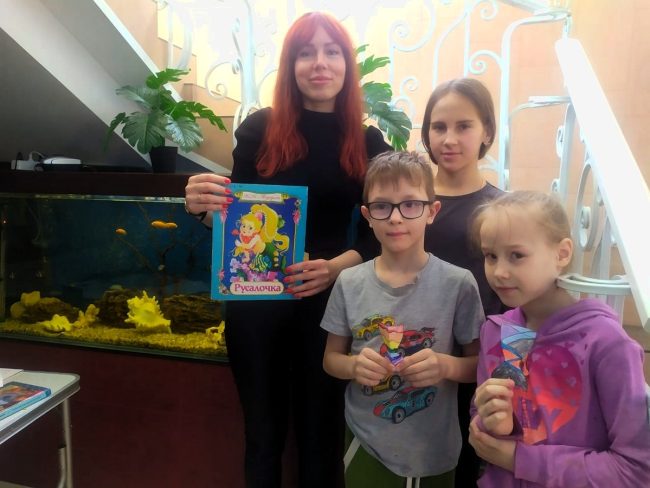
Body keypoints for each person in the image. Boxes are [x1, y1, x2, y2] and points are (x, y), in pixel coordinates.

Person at [184, 11, 391, 488]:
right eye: (306, 52)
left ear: (347, 65)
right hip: (256, 303)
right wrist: (200, 206)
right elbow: (232, 217)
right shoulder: (260, 129)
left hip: (331, 305)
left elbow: (377, 232)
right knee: (262, 435)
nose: (319, 63)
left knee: (322, 435)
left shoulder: (368, 142)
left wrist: (334, 268)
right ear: (291, 65)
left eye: (332, 51)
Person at [321, 151, 485, 487]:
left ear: (432, 211)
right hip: (365, 444)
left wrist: (444, 366)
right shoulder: (349, 282)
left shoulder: (459, 284)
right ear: (367, 215)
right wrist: (353, 366)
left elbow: (480, 364)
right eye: (382, 206)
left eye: (410, 204)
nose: (396, 218)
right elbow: (330, 359)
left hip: (435, 450)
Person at [468, 191, 650, 487]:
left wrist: (518, 459)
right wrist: (493, 424)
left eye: (517, 255)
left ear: (562, 254)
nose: (499, 272)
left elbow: (636, 470)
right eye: (491, 256)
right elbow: (481, 421)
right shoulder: (497, 331)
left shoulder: (605, 343)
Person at [421, 77, 506, 487]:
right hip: (412, 355)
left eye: (464, 126)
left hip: (478, 361)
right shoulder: (410, 203)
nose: (449, 139)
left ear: (487, 131)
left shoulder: (501, 209)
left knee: (467, 462)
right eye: (439, 127)